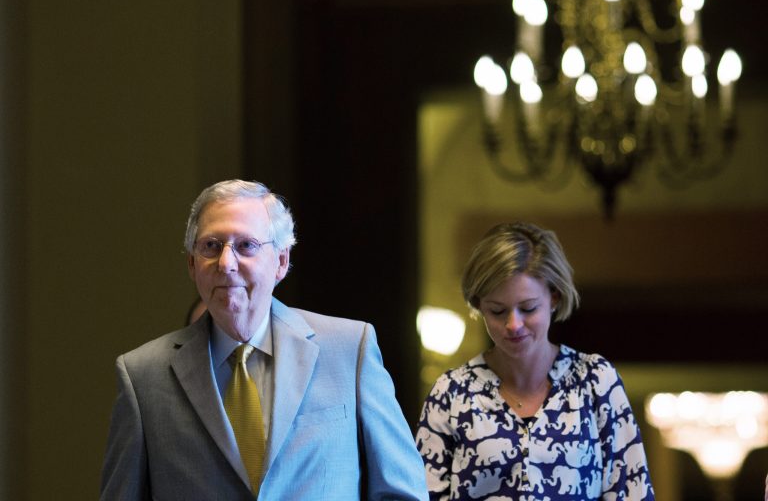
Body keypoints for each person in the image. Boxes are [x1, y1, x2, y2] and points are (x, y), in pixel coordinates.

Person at [101, 179, 428, 500]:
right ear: (191, 263)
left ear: (281, 261)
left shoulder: (348, 349)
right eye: (211, 246)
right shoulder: (143, 375)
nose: (226, 264)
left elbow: (403, 493)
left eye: (246, 246)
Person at [416, 222, 655, 500]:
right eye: (497, 310)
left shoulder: (595, 380)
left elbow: (631, 491)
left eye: (528, 308)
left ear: (554, 297)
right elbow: (423, 494)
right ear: (479, 305)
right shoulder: (451, 393)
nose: (513, 324)